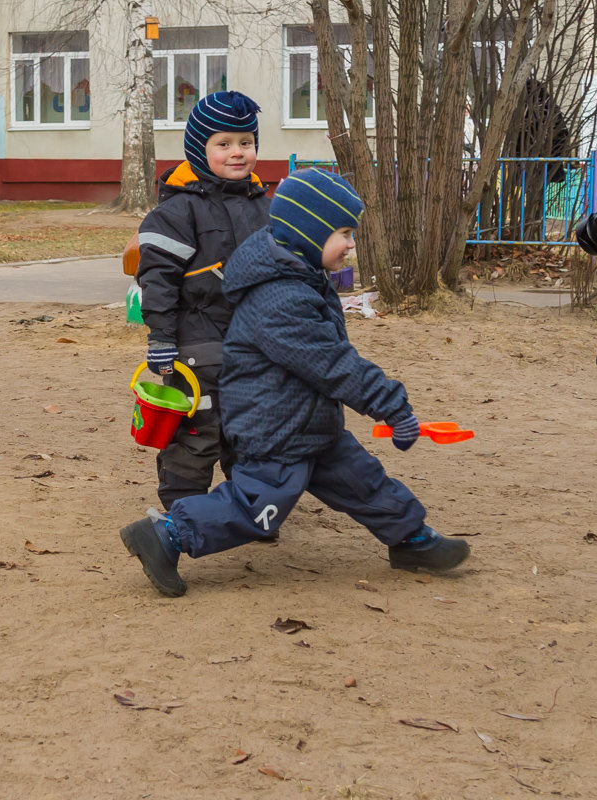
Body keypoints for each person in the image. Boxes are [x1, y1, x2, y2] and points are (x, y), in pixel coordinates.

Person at [120, 168, 470, 596]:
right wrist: (391, 404)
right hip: (276, 427)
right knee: (257, 505)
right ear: (310, 232)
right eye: (342, 232)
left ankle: (410, 539)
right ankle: (166, 535)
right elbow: (334, 364)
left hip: (308, 420)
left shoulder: (300, 275)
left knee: (362, 479)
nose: (351, 243)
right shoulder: (281, 297)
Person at [137, 90, 271, 510]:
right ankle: (181, 513)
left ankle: (254, 508)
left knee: (252, 430)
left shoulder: (263, 206)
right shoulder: (177, 212)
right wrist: (161, 338)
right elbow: (158, 279)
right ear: (200, 148)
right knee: (197, 431)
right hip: (197, 344)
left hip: (255, 344)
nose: (237, 153)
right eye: (224, 144)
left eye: (245, 143)